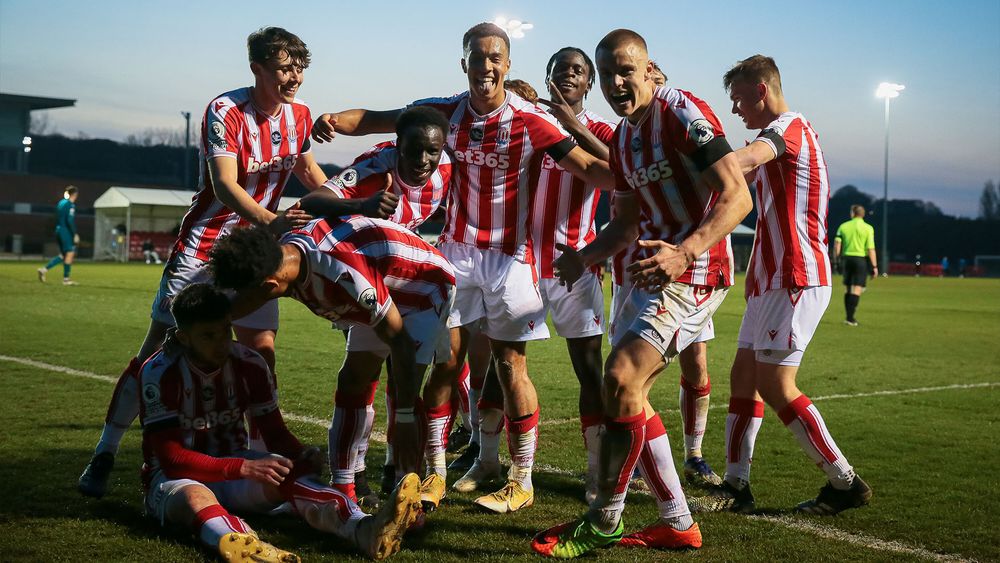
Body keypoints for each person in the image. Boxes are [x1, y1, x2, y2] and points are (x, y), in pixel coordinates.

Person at [311, 22, 613, 514]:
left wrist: (636, 179)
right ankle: (434, 474)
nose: (486, 66)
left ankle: (522, 479)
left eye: (495, 58)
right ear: (465, 63)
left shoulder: (532, 120)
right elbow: (381, 119)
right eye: (477, 57)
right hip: (455, 254)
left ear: (508, 64)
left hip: (512, 260)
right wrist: (331, 120)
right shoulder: (447, 111)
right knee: (447, 365)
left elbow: (589, 168)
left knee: (512, 365)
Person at [78, 27, 328, 499]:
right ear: (256, 68)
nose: (293, 77)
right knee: (158, 349)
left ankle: (259, 453)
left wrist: (350, 204)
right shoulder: (225, 110)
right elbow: (225, 184)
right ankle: (106, 451)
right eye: (283, 68)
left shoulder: (300, 117)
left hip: (254, 252)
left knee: (262, 349)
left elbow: (311, 175)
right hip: (205, 247)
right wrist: (272, 221)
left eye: (299, 68)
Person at [533, 29, 751, 557]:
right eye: (607, 74)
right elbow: (626, 225)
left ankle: (606, 517)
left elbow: (737, 195)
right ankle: (676, 522)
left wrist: (686, 251)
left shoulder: (682, 112)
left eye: (625, 71)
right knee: (623, 393)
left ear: (650, 69)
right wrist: (585, 256)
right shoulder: (625, 141)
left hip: (695, 271)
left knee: (619, 378)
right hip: (651, 272)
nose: (615, 83)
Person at [687, 54, 872, 517]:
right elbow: (727, 180)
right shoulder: (773, 137)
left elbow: (744, 159)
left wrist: (698, 145)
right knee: (744, 378)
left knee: (775, 383)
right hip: (769, 281)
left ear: (761, 91)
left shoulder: (791, 128)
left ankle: (844, 482)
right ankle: (736, 485)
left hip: (796, 276)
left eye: (738, 99)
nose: (735, 110)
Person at [139, 283, 422, 561]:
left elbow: (274, 431)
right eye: (208, 336)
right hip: (174, 478)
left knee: (289, 473)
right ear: (184, 337)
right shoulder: (159, 373)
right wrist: (244, 466)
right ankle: (251, 550)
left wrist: (300, 455)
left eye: (226, 330)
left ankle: (365, 529)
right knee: (194, 498)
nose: (221, 343)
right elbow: (171, 457)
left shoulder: (249, 363)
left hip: (235, 467)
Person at [207, 217, 456, 513]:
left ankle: (407, 506)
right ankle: (343, 492)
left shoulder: (345, 277)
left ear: (270, 284)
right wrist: (200, 326)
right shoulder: (284, 257)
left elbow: (399, 341)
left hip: (422, 291)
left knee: (405, 393)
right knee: (352, 381)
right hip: (381, 280)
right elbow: (241, 301)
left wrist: (402, 417)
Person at [301, 106, 453, 508]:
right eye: (414, 150)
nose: (423, 161)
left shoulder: (449, 167)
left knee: (409, 388)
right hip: (372, 278)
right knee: (358, 376)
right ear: (396, 145)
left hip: (418, 285)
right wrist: (362, 205)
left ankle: (406, 483)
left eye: (432, 152)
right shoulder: (373, 166)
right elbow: (313, 200)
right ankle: (347, 483)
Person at [524, 46, 615, 502]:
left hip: (574, 267)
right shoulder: (527, 123)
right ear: (547, 76)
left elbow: (623, 171)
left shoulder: (600, 128)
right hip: (520, 263)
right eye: (559, 69)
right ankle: (484, 457)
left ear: (588, 83)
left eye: (577, 71)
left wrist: (574, 127)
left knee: (588, 370)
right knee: (498, 363)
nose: (567, 75)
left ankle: (598, 471)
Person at [833, 205, 877, 326]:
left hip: (846, 259)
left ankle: (848, 317)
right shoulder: (868, 228)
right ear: (863, 214)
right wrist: (874, 266)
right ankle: (850, 318)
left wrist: (836, 261)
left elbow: (837, 245)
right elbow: (870, 248)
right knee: (857, 288)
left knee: (848, 287)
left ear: (853, 213)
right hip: (860, 260)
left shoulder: (843, 226)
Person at [38, 185, 80, 285]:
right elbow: (69, 220)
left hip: (58, 230)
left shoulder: (61, 202)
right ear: (75, 194)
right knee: (70, 253)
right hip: (65, 231)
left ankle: (44, 270)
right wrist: (74, 234)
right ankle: (66, 279)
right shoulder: (70, 204)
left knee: (63, 255)